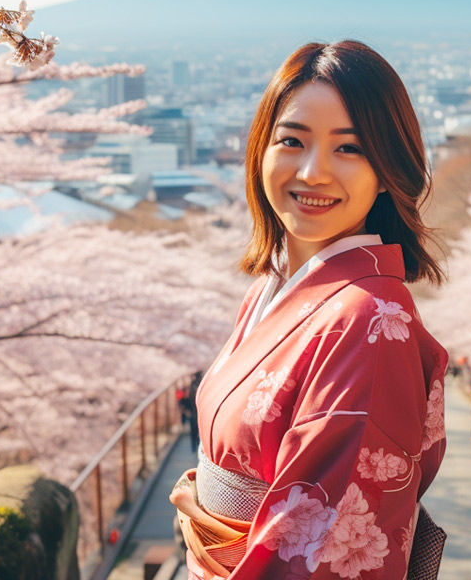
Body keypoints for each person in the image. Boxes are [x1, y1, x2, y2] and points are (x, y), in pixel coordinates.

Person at [169, 41, 449, 579]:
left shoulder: (371, 322)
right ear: (260, 152)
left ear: (389, 168)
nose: (313, 172)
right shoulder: (269, 289)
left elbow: (323, 551)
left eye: (350, 149)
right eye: (292, 141)